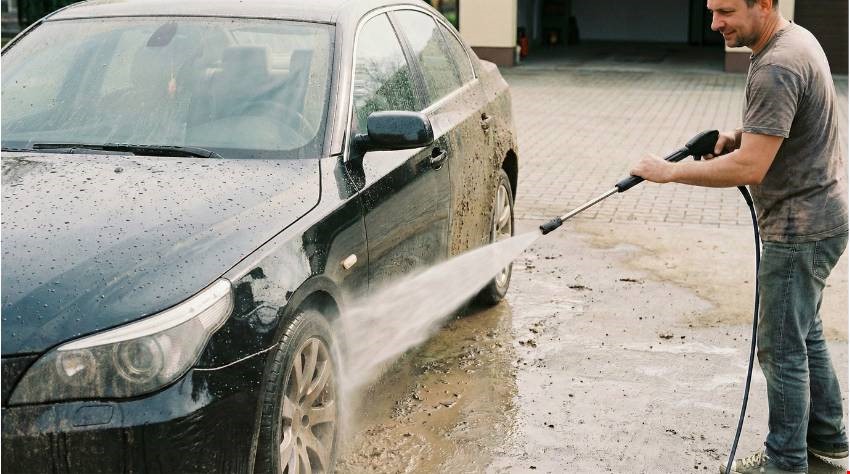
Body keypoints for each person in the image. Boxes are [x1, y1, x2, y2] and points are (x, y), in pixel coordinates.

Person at [629, 0, 848, 472]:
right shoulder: (793, 39)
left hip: (799, 228)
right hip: (820, 217)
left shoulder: (778, 65)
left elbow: (752, 167)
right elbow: (773, 134)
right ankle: (830, 442)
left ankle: (785, 462)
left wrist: (669, 173)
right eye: (711, 11)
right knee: (804, 331)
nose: (715, 23)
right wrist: (740, 133)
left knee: (782, 348)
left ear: (764, 4)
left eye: (725, 11)